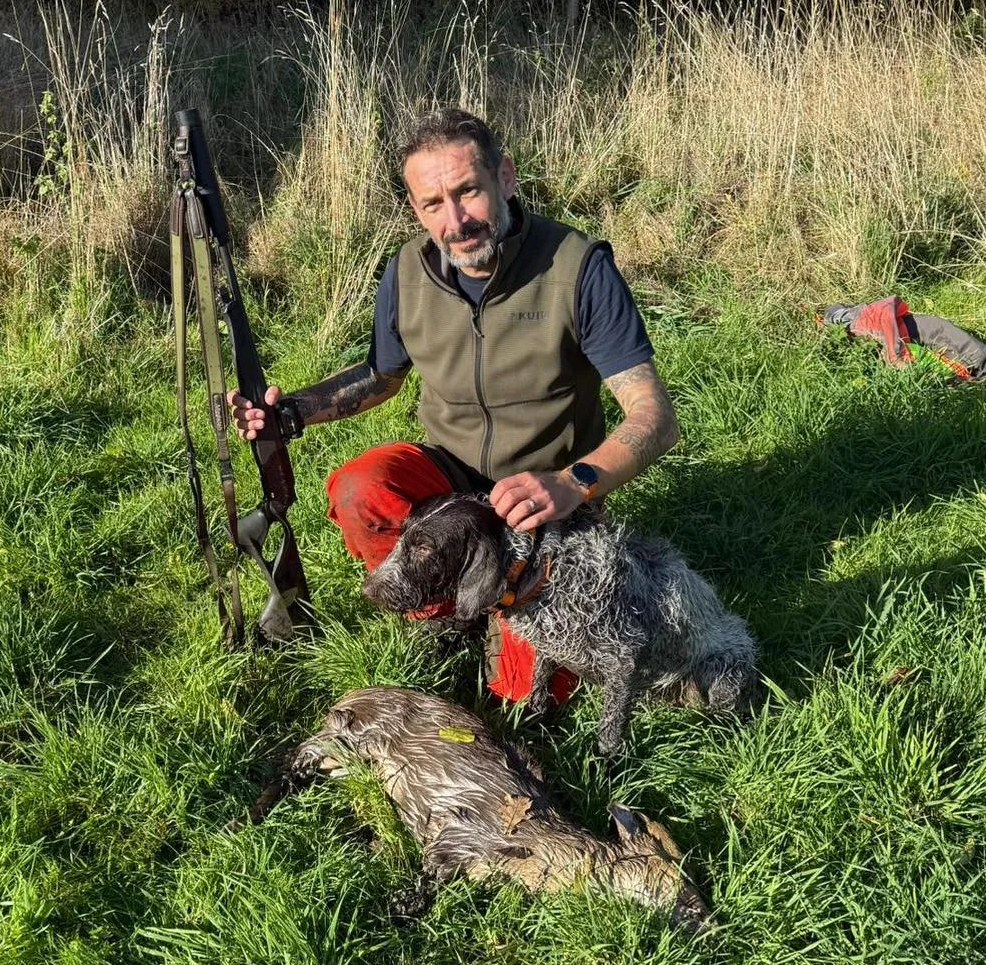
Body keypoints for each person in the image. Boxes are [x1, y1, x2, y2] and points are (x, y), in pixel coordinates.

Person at [229, 107, 678, 701]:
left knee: (525, 696)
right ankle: (446, 615)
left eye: (468, 192)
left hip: (545, 503)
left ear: (506, 179)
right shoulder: (407, 274)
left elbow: (655, 416)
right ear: (415, 208)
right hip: (450, 474)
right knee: (357, 490)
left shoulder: (576, 268)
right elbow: (380, 375)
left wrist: (572, 482)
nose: (456, 221)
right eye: (432, 204)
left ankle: (504, 608)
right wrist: (289, 413)